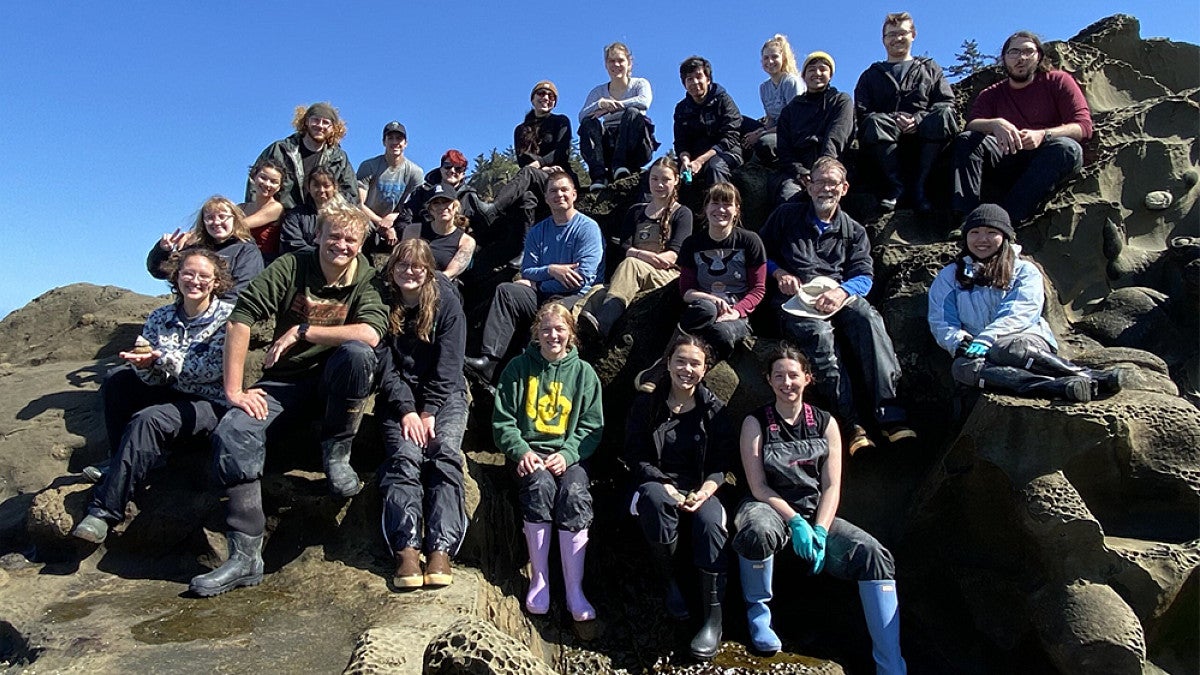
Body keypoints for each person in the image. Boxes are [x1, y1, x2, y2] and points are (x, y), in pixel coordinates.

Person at [189, 200, 386, 598]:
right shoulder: (292, 267)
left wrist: (304, 331)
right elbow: (241, 317)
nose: (341, 245)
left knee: (357, 355)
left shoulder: (367, 278)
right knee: (236, 428)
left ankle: (336, 454)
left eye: (351, 239)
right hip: (286, 382)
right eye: (334, 236)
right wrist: (234, 391)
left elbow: (370, 333)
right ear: (319, 236)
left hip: (335, 385)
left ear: (361, 245)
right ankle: (245, 556)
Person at [733, 346, 906, 673]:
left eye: (794, 375)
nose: (787, 382)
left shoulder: (826, 424)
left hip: (816, 515)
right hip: (770, 508)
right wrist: (795, 521)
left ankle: (890, 662)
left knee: (874, 555)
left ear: (808, 378)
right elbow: (758, 486)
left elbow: (831, 486)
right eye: (779, 376)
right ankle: (759, 618)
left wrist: (821, 530)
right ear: (769, 380)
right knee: (755, 529)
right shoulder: (755, 423)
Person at [72, 250, 235, 543]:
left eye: (203, 276)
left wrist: (162, 359)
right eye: (188, 273)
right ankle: (120, 456)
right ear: (177, 275)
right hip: (170, 389)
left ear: (215, 282)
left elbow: (211, 370)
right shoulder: (161, 316)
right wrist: (145, 365)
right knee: (117, 380)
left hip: (208, 403)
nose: (194, 281)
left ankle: (104, 511)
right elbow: (152, 374)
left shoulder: (228, 317)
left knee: (148, 419)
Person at [759, 157, 914, 453]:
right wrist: (777, 272)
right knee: (818, 336)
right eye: (819, 182)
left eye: (833, 183)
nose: (825, 189)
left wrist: (842, 293)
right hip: (795, 301)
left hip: (838, 295)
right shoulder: (785, 216)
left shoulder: (854, 230)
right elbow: (757, 253)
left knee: (868, 319)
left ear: (844, 188)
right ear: (808, 184)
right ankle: (851, 423)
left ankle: (891, 415)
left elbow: (864, 275)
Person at [927, 204, 1125, 401]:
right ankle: (1057, 387)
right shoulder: (948, 276)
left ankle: (1087, 375)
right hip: (978, 348)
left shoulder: (1023, 270)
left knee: (1005, 349)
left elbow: (1020, 311)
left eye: (991, 232)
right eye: (975, 232)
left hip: (1022, 340)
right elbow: (941, 319)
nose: (982, 239)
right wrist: (958, 341)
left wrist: (987, 338)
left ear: (1004, 236)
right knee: (962, 368)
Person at [624, 334, 734, 660]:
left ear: (706, 369)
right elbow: (635, 455)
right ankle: (671, 582)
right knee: (656, 502)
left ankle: (713, 619)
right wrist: (663, 483)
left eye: (695, 363)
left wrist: (704, 492)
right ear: (668, 363)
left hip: (700, 487)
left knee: (712, 522)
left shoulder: (714, 410)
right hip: (657, 483)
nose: (687, 369)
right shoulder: (647, 403)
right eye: (680, 361)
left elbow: (721, 465)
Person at [493, 303, 604, 622]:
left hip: (570, 457)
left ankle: (574, 589)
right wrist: (521, 451)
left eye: (559, 329)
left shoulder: (585, 374)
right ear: (536, 334)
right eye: (546, 329)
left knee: (573, 492)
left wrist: (568, 454)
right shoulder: (517, 368)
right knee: (539, 486)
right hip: (529, 456)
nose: (553, 335)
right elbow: (503, 422)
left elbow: (591, 427)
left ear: (571, 333)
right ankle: (540, 579)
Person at [376, 239, 469, 589]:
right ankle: (407, 547)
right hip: (398, 395)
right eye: (402, 265)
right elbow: (384, 364)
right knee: (404, 457)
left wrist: (428, 410)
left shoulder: (447, 302)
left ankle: (441, 547)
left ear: (428, 269)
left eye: (417, 266)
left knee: (444, 453)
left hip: (444, 393)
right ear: (392, 268)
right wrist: (406, 410)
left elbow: (450, 364)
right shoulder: (382, 301)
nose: (409, 272)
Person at [464, 171, 604, 384]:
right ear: (546, 198)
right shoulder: (538, 231)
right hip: (543, 290)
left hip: (577, 296)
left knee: (551, 311)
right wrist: (552, 270)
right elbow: (528, 270)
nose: (559, 195)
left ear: (574, 194)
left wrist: (539, 282)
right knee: (507, 291)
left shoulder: (587, 229)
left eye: (564, 190)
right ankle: (490, 362)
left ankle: (533, 375)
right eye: (553, 191)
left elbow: (580, 278)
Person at [636, 183, 765, 393]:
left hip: (737, 315)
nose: (720, 209)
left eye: (727, 204)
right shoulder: (692, 243)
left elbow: (758, 289)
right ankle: (663, 366)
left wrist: (736, 311)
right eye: (715, 203)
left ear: (736, 209)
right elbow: (686, 290)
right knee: (705, 309)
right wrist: (712, 299)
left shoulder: (750, 241)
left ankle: (694, 375)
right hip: (701, 307)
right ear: (705, 208)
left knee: (722, 333)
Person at [953, 31, 1092, 224]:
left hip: (1046, 157)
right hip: (1007, 157)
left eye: (1028, 52)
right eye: (1014, 52)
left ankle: (1006, 219)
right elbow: (971, 125)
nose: (1021, 58)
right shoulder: (991, 94)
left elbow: (1083, 127)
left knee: (1067, 148)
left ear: (1039, 56)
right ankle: (967, 217)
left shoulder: (1058, 81)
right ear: (1004, 58)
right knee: (967, 140)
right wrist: (995, 124)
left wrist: (1043, 135)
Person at [579, 156, 692, 340]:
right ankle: (573, 333)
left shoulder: (682, 213)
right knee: (596, 291)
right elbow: (624, 247)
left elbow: (672, 257)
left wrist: (637, 254)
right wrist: (643, 255)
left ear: (676, 180)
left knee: (631, 263)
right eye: (655, 179)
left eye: (665, 179)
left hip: (667, 277)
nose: (659, 184)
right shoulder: (635, 211)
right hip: (632, 274)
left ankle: (604, 324)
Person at [854, 12, 958, 212]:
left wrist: (917, 120)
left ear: (913, 35)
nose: (897, 39)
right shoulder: (870, 75)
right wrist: (895, 120)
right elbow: (863, 112)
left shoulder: (930, 68)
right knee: (874, 121)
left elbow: (946, 102)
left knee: (944, 115)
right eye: (891, 35)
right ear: (883, 40)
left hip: (927, 137)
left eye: (902, 33)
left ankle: (920, 187)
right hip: (885, 140)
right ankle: (897, 188)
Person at [245, 102, 358, 211]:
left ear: (333, 128)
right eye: (315, 120)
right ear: (306, 122)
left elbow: (351, 196)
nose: (320, 125)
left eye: (325, 122)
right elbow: (255, 181)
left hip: (321, 222)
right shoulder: (280, 149)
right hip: (281, 220)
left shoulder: (339, 158)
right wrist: (256, 210)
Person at [147, 195, 264, 301]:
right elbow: (158, 271)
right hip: (187, 313)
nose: (216, 222)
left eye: (222, 216)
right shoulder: (194, 250)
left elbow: (243, 290)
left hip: (224, 315)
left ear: (235, 219)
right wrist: (162, 250)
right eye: (210, 218)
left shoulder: (246, 251)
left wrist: (215, 313)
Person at [776, 51, 854, 203]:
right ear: (804, 76)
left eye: (823, 69)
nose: (817, 73)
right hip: (799, 171)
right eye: (811, 69)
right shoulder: (790, 110)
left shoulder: (841, 101)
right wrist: (800, 172)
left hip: (832, 166)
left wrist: (822, 171)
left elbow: (836, 136)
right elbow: (784, 149)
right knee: (789, 198)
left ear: (830, 74)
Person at [578, 42, 657, 188]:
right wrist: (600, 104)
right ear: (606, 65)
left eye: (620, 60)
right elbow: (582, 116)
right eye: (611, 61)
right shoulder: (598, 92)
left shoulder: (640, 83)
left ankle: (620, 165)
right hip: (610, 144)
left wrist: (616, 106)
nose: (616, 65)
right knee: (589, 122)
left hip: (635, 145)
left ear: (629, 63)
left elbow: (644, 101)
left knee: (632, 112)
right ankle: (599, 176)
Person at [673, 56, 744, 189]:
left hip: (726, 153)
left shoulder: (724, 100)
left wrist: (701, 161)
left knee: (715, 167)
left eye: (699, 76)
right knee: (662, 169)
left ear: (708, 79)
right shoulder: (681, 109)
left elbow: (730, 137)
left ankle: (720, 206)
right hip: (693, 156)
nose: (694, 82)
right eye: (689, 79)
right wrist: (685, 159)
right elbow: (681, 141)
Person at [357, 121, 424, 254]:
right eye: (390, 138)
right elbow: (359, 203)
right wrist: (381, 222)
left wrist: (392, 218)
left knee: (414, 233)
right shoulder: (369, 166)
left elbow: (414, 206)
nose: (395, 142)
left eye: (399, 138)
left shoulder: (415, 172)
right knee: (359, 229)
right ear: (384, 142)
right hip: (369, 218)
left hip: (397, 220)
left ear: (406, 143)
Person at [742, 35, 805, 165]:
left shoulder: (791, 82)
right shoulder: (764, 87)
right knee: (739, 121)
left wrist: (761, 134)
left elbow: (793, 122)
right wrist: (759, 131)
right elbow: (770, 119)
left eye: (774, 57)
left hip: (791, 131)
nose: (770, 62)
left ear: (783, 58)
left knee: (763, 143)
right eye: (766, 58)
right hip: (773, 128)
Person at [400, 186, 476, 280]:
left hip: (441, 286)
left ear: (456, 207)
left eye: (446, 202)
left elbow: (449, 274)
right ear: (430, 209)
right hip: (409, 281)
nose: (442, 207)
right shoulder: (413, 231)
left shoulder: (466, 242)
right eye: (436, 203)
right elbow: (404, 262)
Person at [279, 166, 347, 254]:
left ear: (335, 187)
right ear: (308, 187)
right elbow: (291, 243)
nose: (321, 190)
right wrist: (320, 255)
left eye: (326, 186)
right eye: (316, 185)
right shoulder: (296, 215)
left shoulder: (345, 215)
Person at [240, 158, 287, 261]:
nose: (267, 184)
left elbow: (239, 226)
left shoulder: (276, 208)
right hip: (240, 257)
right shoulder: (241, 208)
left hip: (263, 262)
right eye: (263, 178)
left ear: (279, 187)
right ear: (254, 177)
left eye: (273, 182)